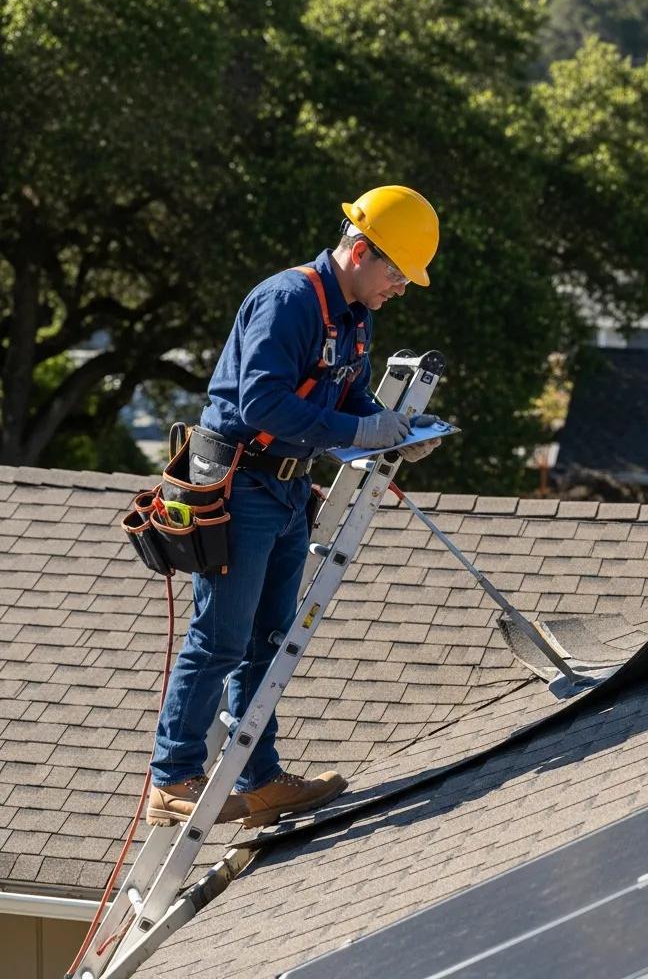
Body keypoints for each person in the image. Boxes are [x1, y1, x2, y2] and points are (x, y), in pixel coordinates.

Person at [147, 185, 441, 827]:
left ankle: (261, 779)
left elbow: (349, 397)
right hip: (240, 485)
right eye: (397, 273)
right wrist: (360, 432)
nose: (400, 288)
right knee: (221, 639)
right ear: (361, 252)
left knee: (270, 642)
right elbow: (262, 404)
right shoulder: (288, 300)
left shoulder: (355, 315)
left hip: (286, 487)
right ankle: (172, 779)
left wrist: (394, 430)